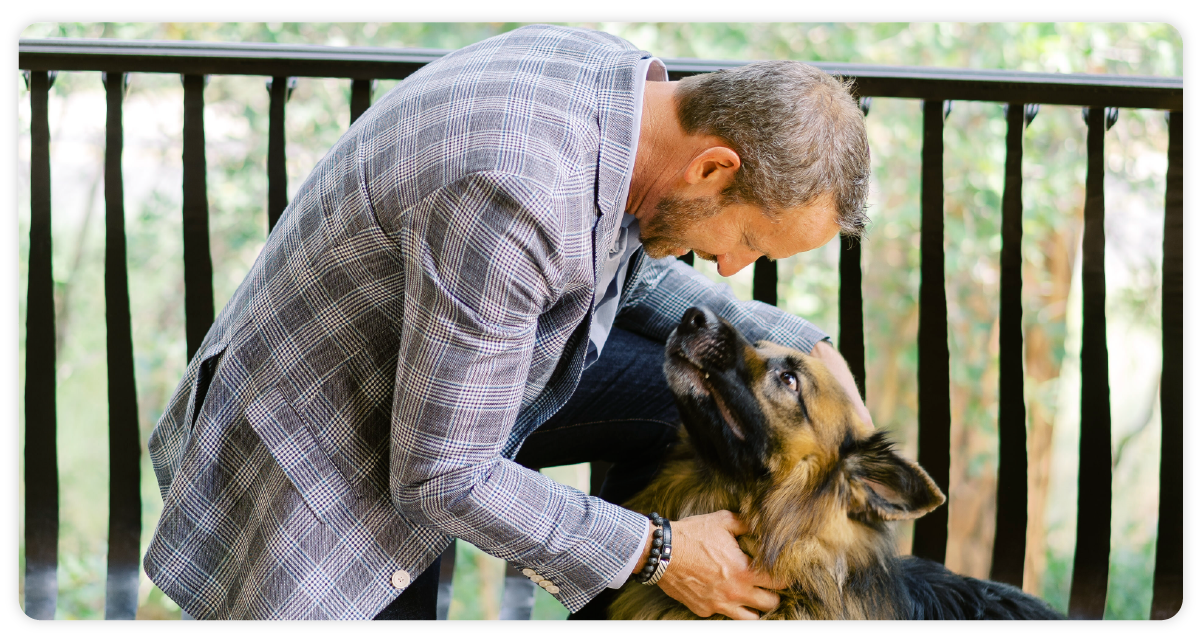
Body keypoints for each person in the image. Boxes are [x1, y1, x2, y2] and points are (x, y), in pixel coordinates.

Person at [144, 24, 872, 621]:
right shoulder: (514, 192)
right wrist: (660, 552)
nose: (729, 267)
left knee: (693, 401)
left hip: (442, 379)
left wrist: (805, 345)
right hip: (323, 451)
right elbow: (441, 477)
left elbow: (631, 264)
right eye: (747, 240)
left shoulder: (620, 90)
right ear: (712, 168)